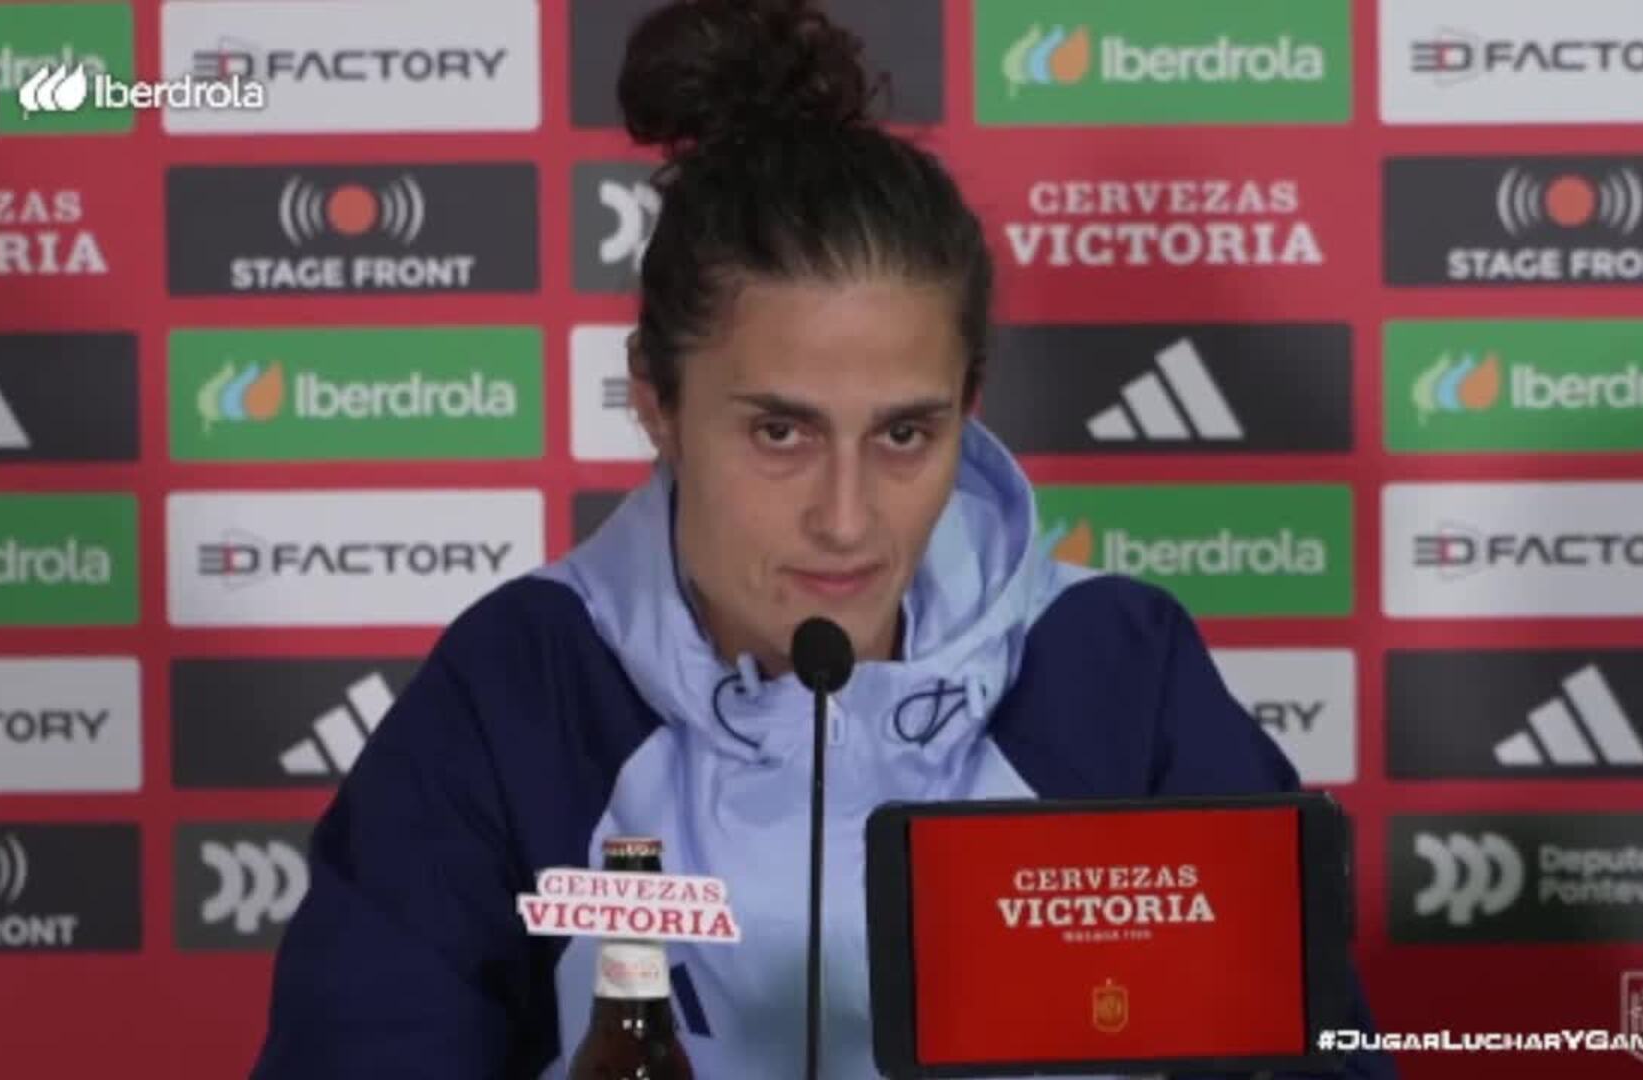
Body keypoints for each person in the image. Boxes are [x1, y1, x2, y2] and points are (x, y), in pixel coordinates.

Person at [251, 1, 1396, 1077]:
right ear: (655, 400)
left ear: (969, 405)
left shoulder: (1118, 671)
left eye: (904, 434)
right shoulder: (520, 687)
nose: (846, 520)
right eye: (780, 432)